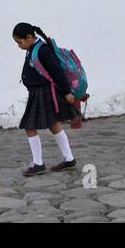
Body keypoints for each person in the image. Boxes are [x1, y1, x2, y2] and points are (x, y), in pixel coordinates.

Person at [12, 22, 78, 177]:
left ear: (29, 37)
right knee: (53, 124)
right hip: (38, 93)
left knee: (29, 126)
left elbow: (57, 71)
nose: (19, 46)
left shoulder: (42, 50)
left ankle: (38, 163)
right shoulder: (32, 49)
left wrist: (67, 92)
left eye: (19, 42)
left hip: (44, 93)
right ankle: (69, 158)